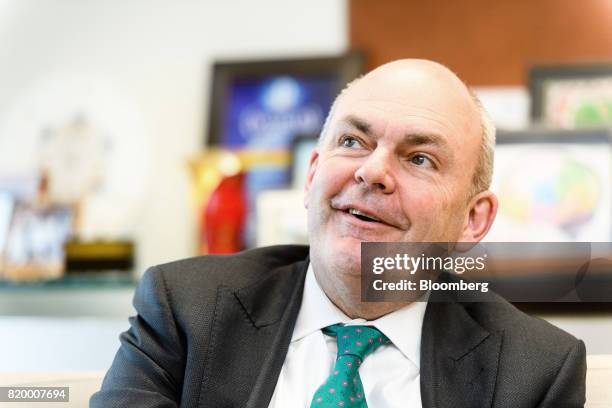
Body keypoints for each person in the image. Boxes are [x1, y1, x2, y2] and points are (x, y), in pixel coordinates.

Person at [91, 60, 586, 407]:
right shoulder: (185, 310)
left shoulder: (535, 369)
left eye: (419, 158)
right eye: (352, 141)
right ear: (311, 177)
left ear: (472, 220)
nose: (372, 172)